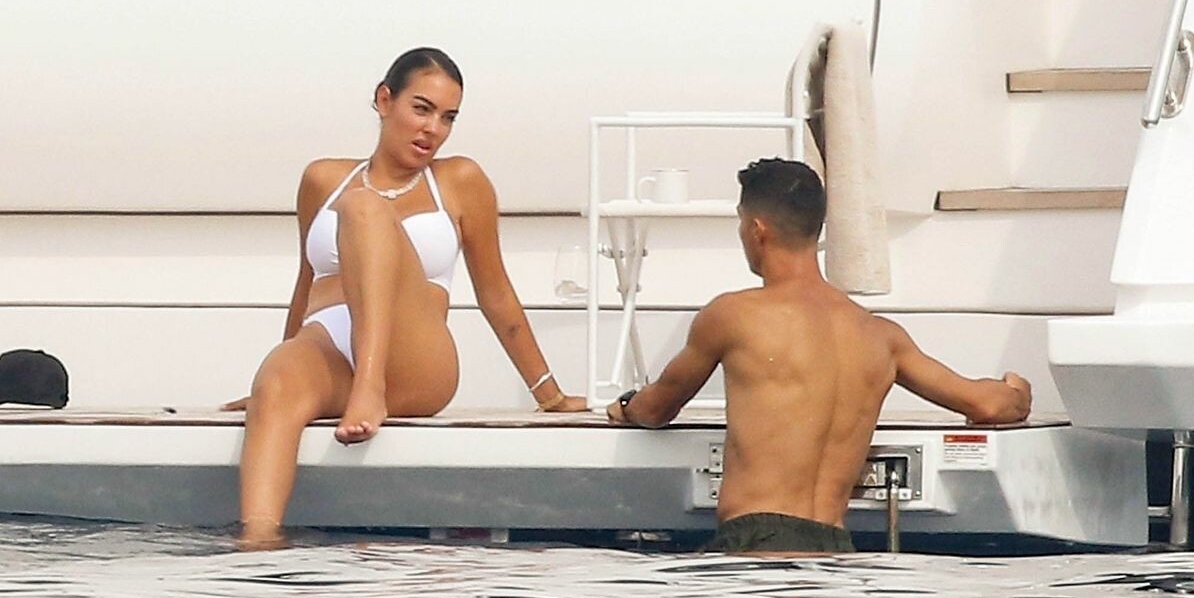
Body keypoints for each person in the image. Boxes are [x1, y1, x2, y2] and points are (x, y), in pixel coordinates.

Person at [228, 48, 587, 548]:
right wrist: (283, 363)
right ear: (384, 101)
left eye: (448, 118)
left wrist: (549, 394)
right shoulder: (322, 180)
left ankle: (369, 385)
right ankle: (257, 546)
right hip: (331, 344)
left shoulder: (460, 181)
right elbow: (306, 283)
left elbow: (496, 293)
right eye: (422, 109)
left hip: (413, 358)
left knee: (364, 209)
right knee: (276, 384)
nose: (433, 129)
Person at [607, 157, 1032, 554]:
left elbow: (656, 409)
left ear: (757, 229)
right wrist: (1015, 390)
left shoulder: (733, 316)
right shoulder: (879, 336)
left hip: (755, 544)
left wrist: (625, 406)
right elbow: (988, 405)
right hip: (832, 548)